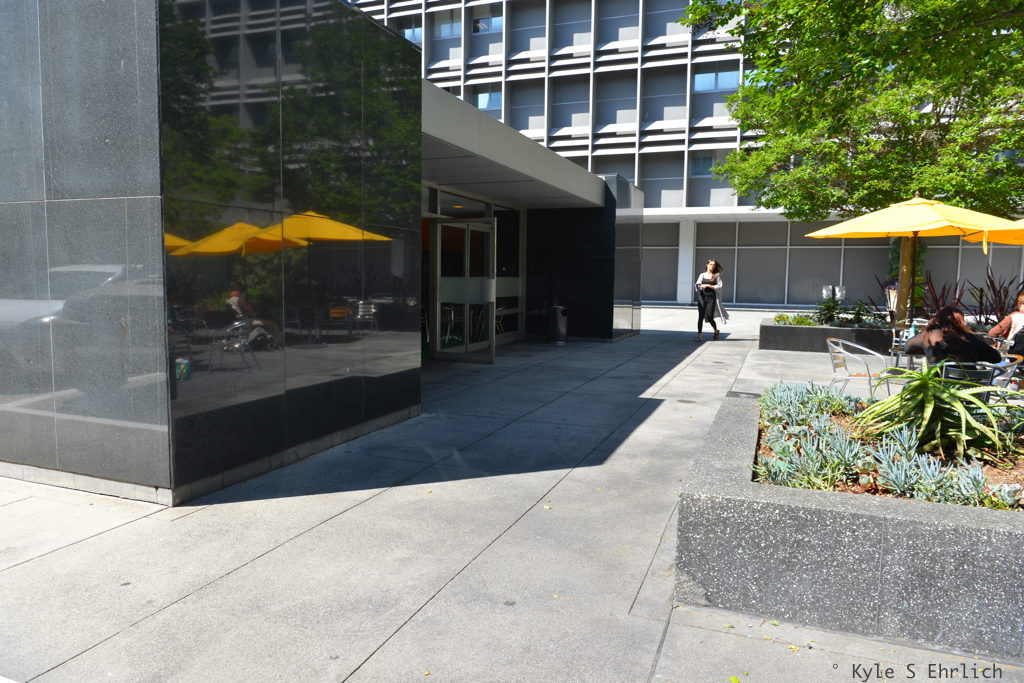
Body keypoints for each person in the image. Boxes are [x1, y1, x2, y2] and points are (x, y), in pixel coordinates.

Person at [904, 306, 1001, 365]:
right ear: (961, 321)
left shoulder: (928, 335)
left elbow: (907, 348)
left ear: (938, 318)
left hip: (937, 387)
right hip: (968, 388)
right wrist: (973, 355)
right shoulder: (971, 338)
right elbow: (996, 358)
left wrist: (926, 349)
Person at [694, 258, 729, 342]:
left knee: (710, 317)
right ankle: (699, 335)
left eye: (714, 265)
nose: (712, 266)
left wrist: (710, 286)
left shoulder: (716, 276)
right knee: (701, 316)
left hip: (711, 298)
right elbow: (697, 285)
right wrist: (700, 287)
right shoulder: (702, 275)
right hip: (702, 297)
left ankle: (716, 330)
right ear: (707, 265)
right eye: (710, 264)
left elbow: (719, 286)